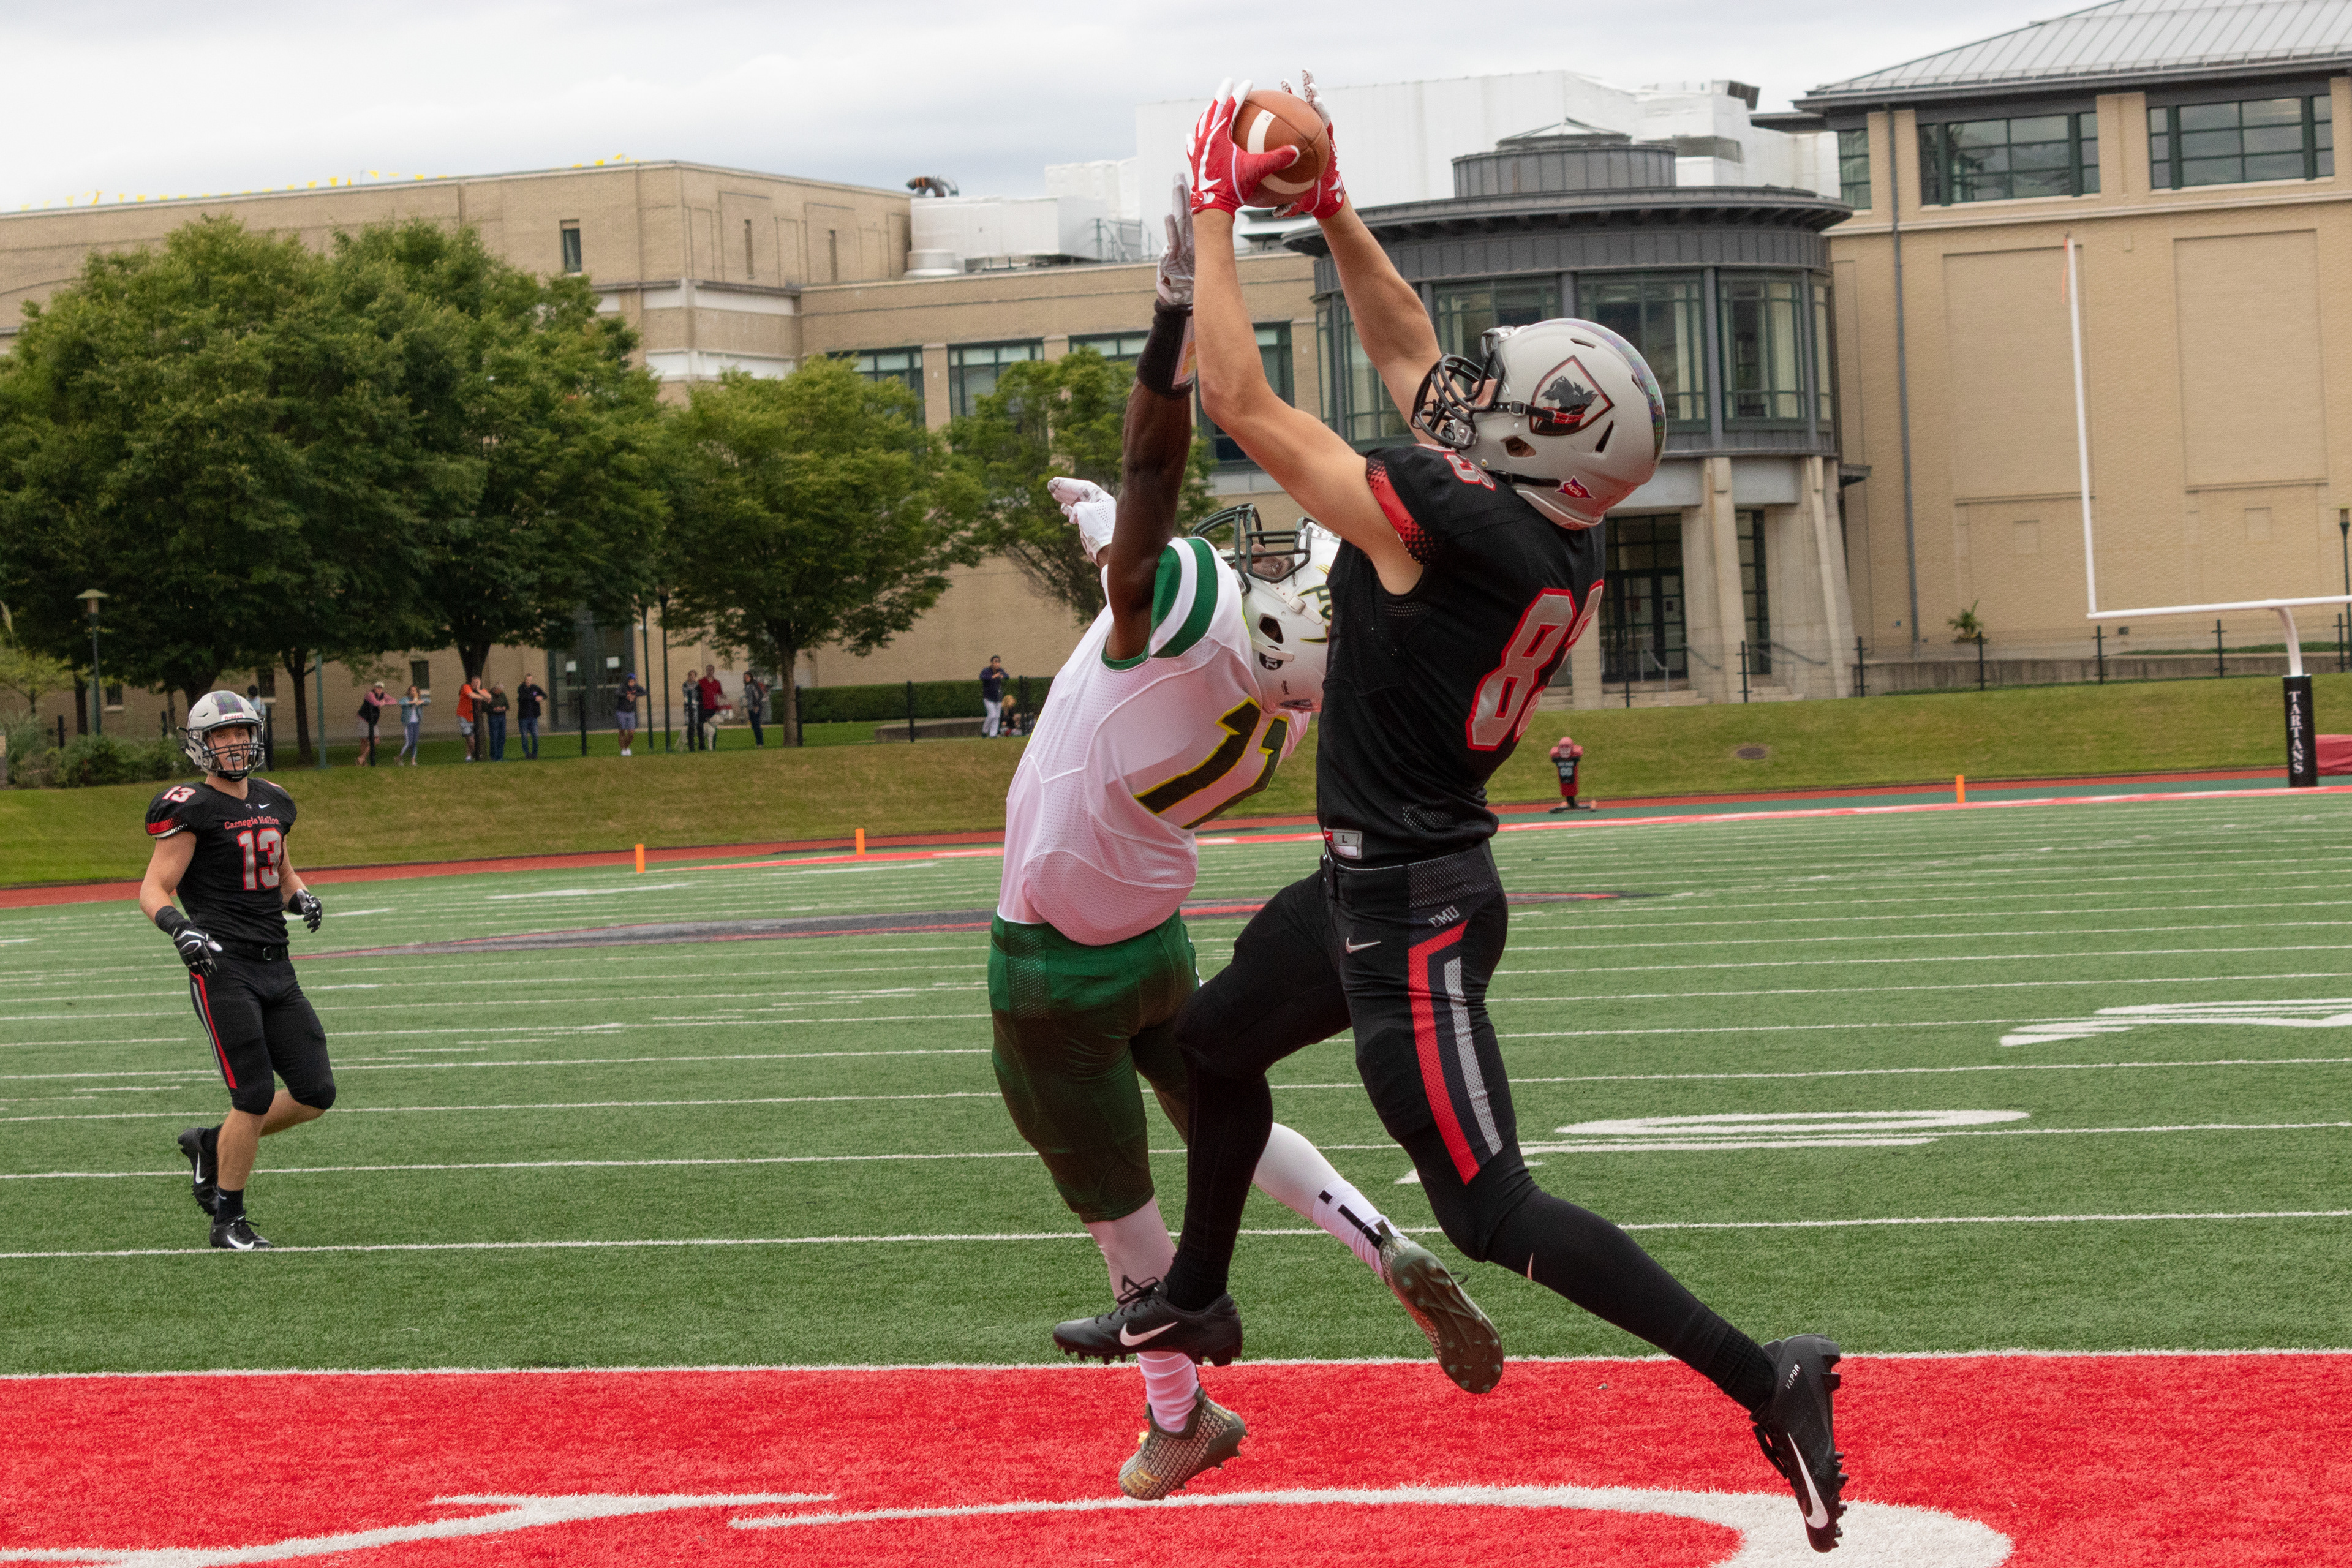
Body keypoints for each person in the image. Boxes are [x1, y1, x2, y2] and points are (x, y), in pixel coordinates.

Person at [1055, 80, 1849, 1555]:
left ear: (1541, 445)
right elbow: (1416, 355)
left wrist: (1216, 210)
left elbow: (1238, 400)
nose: (1465, 394)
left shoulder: (1469, 525)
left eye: (1502, 396)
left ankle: (1764, 1371)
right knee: (1211, 1046)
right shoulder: (1547, 520)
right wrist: (1338, 202)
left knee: (1492, 1209)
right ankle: (1199, 1289)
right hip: (1379, 876)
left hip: (1411, 911)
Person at [1009, 183, 1498, 1504]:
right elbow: (1132, 540)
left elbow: (1153, 489)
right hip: (1158, 928)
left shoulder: (1178, 610)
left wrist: (1174, 317)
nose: (1280, 563)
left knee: (1114, 1190)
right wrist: (1094, 517)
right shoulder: (1272, 715)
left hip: (1052, 951)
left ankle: (1178, 1407)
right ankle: (1377, 1234)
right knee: (1212, 1098)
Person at [138, 691, 334, 1251]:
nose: (236, 743)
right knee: (251, 1094)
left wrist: (300, 897)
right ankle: (228, 1220)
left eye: (242, 732)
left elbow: (280, 870)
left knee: (316, 1091)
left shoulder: (274, 799)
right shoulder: (190, 807)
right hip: (222, 966)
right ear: (201, 745)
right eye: (223, 735)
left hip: (278, 964)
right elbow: (153, 887)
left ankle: (209, 1144)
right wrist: (180, 928)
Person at [1548, 732, 1591, 812]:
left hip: (1570, 774)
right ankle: (1571, 803)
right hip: (1564, 775)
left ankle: (1572, 802)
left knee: (1571, 784)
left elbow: (1578, 755)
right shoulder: (1558, 754)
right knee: (1565, 785)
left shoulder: (1573, 753)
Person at [516, 673, 547, 760]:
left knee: (535, 736)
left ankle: (535, 754)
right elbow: (524, 697)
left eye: (530, 680)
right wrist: (535, 697)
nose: (528, 682)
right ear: (524, 680)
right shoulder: (521, 688)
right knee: (524, 737)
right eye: (527, 680)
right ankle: (527, 753)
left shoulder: (535, 688)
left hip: (533, 717)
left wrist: (541, 697)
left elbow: (545, 695)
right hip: (524, 717)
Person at [357, 682, 388, 767]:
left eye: (381, 688)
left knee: (376, 740)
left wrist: (383, 702)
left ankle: (362, 758)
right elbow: (374, 703)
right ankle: (364, 763)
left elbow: (392, 700)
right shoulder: (370, 694)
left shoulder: (382, 696)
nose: (379, 689)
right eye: (378, 687)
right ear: (375, 688)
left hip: (373, 722)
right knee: (364, 741)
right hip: (364, 720)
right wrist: (380, 703)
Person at [698, 665, 728, 750]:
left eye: (712, 670)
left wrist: (724, 697)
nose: (710, 671)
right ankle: (702, 746)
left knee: (714, 727)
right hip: (703, 708)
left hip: (713, 709)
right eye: (708, 670)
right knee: (702, 728)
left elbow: (720, 694)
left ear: (713, 671)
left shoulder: (717, 683)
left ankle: (712, 746)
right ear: (706, 671)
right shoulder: (701, 682)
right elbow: (697, 694)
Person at [396, 684, 428, 765]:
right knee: (409, 743)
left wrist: (420, 701)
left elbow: (428, 701)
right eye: (412, 690)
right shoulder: (405, 699)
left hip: (416, 723)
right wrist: (413, 702)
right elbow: (401, 702)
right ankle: (399, 757)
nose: (413, 692)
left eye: (415, 691)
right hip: (408, 724)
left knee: (414, 742)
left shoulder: (419, 700)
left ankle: (413, 761)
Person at [614, 673, 641, 756]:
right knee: (622, 731)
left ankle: (626, 748)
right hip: (621, 711)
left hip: (631, 712)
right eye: (630, 681)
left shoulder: (636, 688)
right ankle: (623, 750)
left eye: (633, 681)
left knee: (631, 732)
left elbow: (644, 692)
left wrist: (635, 695)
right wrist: (627, 695)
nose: (631, 682)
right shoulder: (623, 687)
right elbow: (617, 693)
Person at [454, 675, 480, 761]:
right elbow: (471, 695)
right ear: (471, 681)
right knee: (469, 735)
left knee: (469, 736)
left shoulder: (478, 690)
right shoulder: (466, 687)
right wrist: (484, 698)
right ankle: (477, 754)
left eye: (478, 682)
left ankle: (469, 756)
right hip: (463, 715)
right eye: (475, 682)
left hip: (471, 716)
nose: (476, 684)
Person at [980, 655, 1007, 737]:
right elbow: (982, 677)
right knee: (992, 715)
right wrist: (993, 677)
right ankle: (984, 731)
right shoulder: (987, 671)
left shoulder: (1000, 671)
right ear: (992, 663)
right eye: (995, 662)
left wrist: (1003, 676)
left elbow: (1007, 676)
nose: (997, 664)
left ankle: (993, 734)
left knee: (997, 716)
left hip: (998, 698)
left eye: (998, 662)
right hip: (989, 698)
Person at [741, 671, 769, 747]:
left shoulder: (754, 685)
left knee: (757, 725)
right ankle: (758, 742)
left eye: (747, 677)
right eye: (744, 677)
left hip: (756, 707)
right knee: (754, 726)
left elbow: (759, 695)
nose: (746, 679)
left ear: (751, 677)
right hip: (750, 708)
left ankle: (760, 743)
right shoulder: (747, 686)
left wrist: (756, 705)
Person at [486, 683, 510, 761]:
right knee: (494, 737)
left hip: (502, 717)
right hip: (493, 717)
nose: (500, 693)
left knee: (502, 737)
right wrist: (494, 709)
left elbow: (507, 705)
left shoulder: (503, 695)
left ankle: (500, 756)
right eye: (499, 691)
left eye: (501, 691)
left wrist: (504, 708)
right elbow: (485, 707)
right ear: (495, 690)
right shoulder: (489, 695)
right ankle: (494, 756)